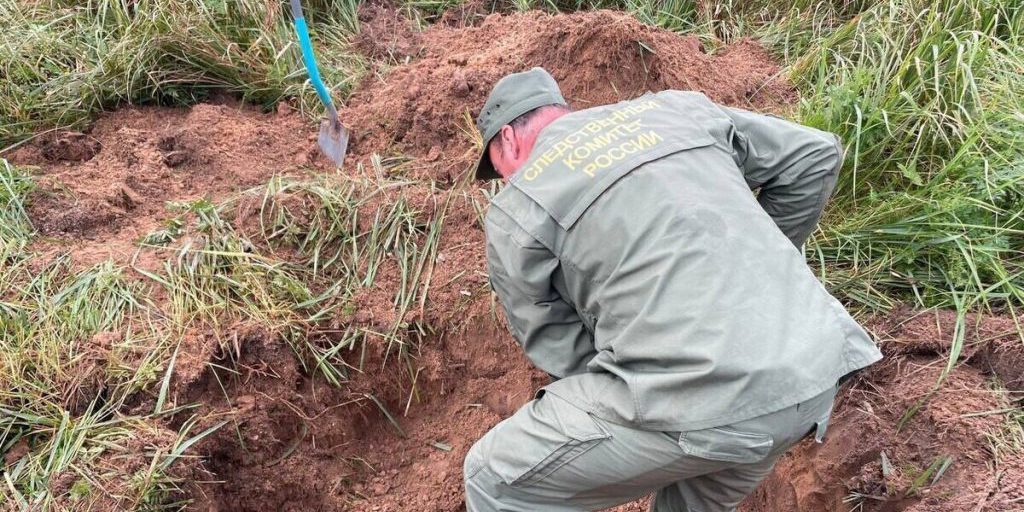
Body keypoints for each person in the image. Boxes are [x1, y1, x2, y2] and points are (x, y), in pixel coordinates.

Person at [463, 67, 883, 512]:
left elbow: (561, 349)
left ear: (508, 139)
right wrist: (756, 271)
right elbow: (814, 155)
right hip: (814, 373)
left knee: (492, 478)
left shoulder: (518, 206)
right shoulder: (675, 109)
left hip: (706, 398)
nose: (506, 183)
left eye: (499, 170)